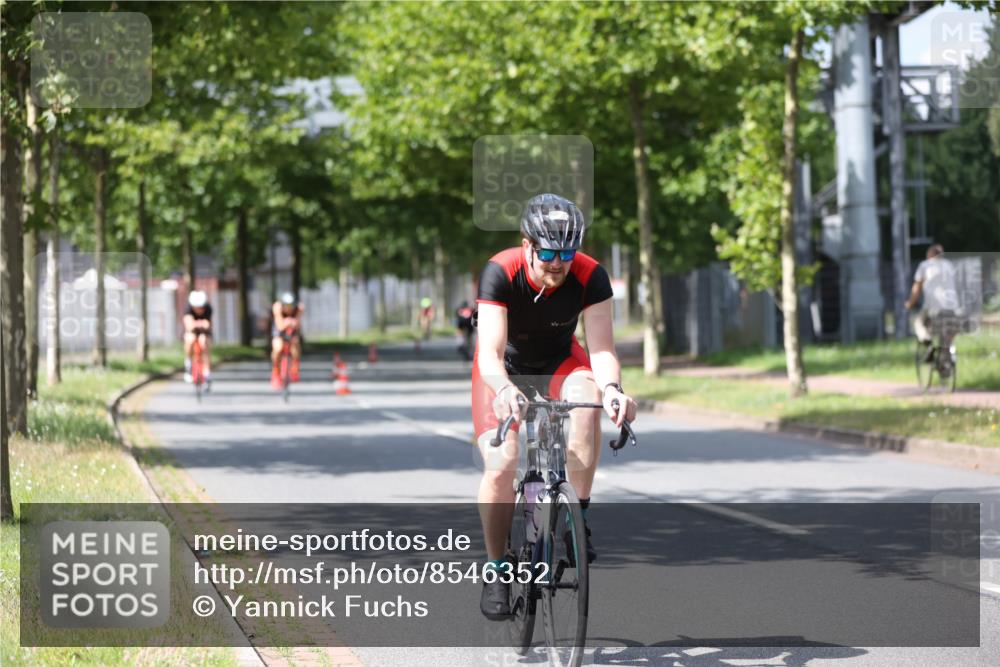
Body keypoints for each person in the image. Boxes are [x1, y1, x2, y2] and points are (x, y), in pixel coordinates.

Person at [473, 193, 638, 620]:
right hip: (504, 369)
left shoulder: (591, 276)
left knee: (590, 400)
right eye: (547, 251)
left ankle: (575, 515)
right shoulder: (500, 271)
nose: (558, 262)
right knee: (502, 461)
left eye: (567, 251)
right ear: (526, 244)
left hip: (561, 361)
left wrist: (614, 389)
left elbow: (601, 348)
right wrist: (506, 390)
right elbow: (488, 351)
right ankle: (496, 568)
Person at [905, 244, 960, 361]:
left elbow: (916, 289)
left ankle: (927, 341)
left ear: (929, 255)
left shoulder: (925, 265)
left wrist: (910, 303)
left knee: (918, 322)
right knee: (950, 331)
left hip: (933, 307)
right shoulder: (949, 265)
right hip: (952, 308)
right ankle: (947, 358)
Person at [271, 292, 304, 388]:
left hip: (292, 329)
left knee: (295, 343)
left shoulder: (299, 308)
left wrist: (293, 323)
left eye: (291, 305)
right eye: (287, 305)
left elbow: (297, 324)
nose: (289, 308)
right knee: (278, 347)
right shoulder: (277, 307)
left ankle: (295, 365)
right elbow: (280, 326)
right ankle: (276, 370)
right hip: (279, 328)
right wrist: (288, 322)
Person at [183, 290, 213, 386]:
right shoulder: (188, 309)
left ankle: (207, 372)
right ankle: (188, 364)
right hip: (191, 332)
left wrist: (198, 324)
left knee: (204, 342)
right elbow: (189, 325)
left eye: (201, 307)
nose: (200, 310)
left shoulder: (208, 308)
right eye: (197, 307)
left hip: (204, 332)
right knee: (190, 339)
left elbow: (208, 325)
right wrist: (200, 323)